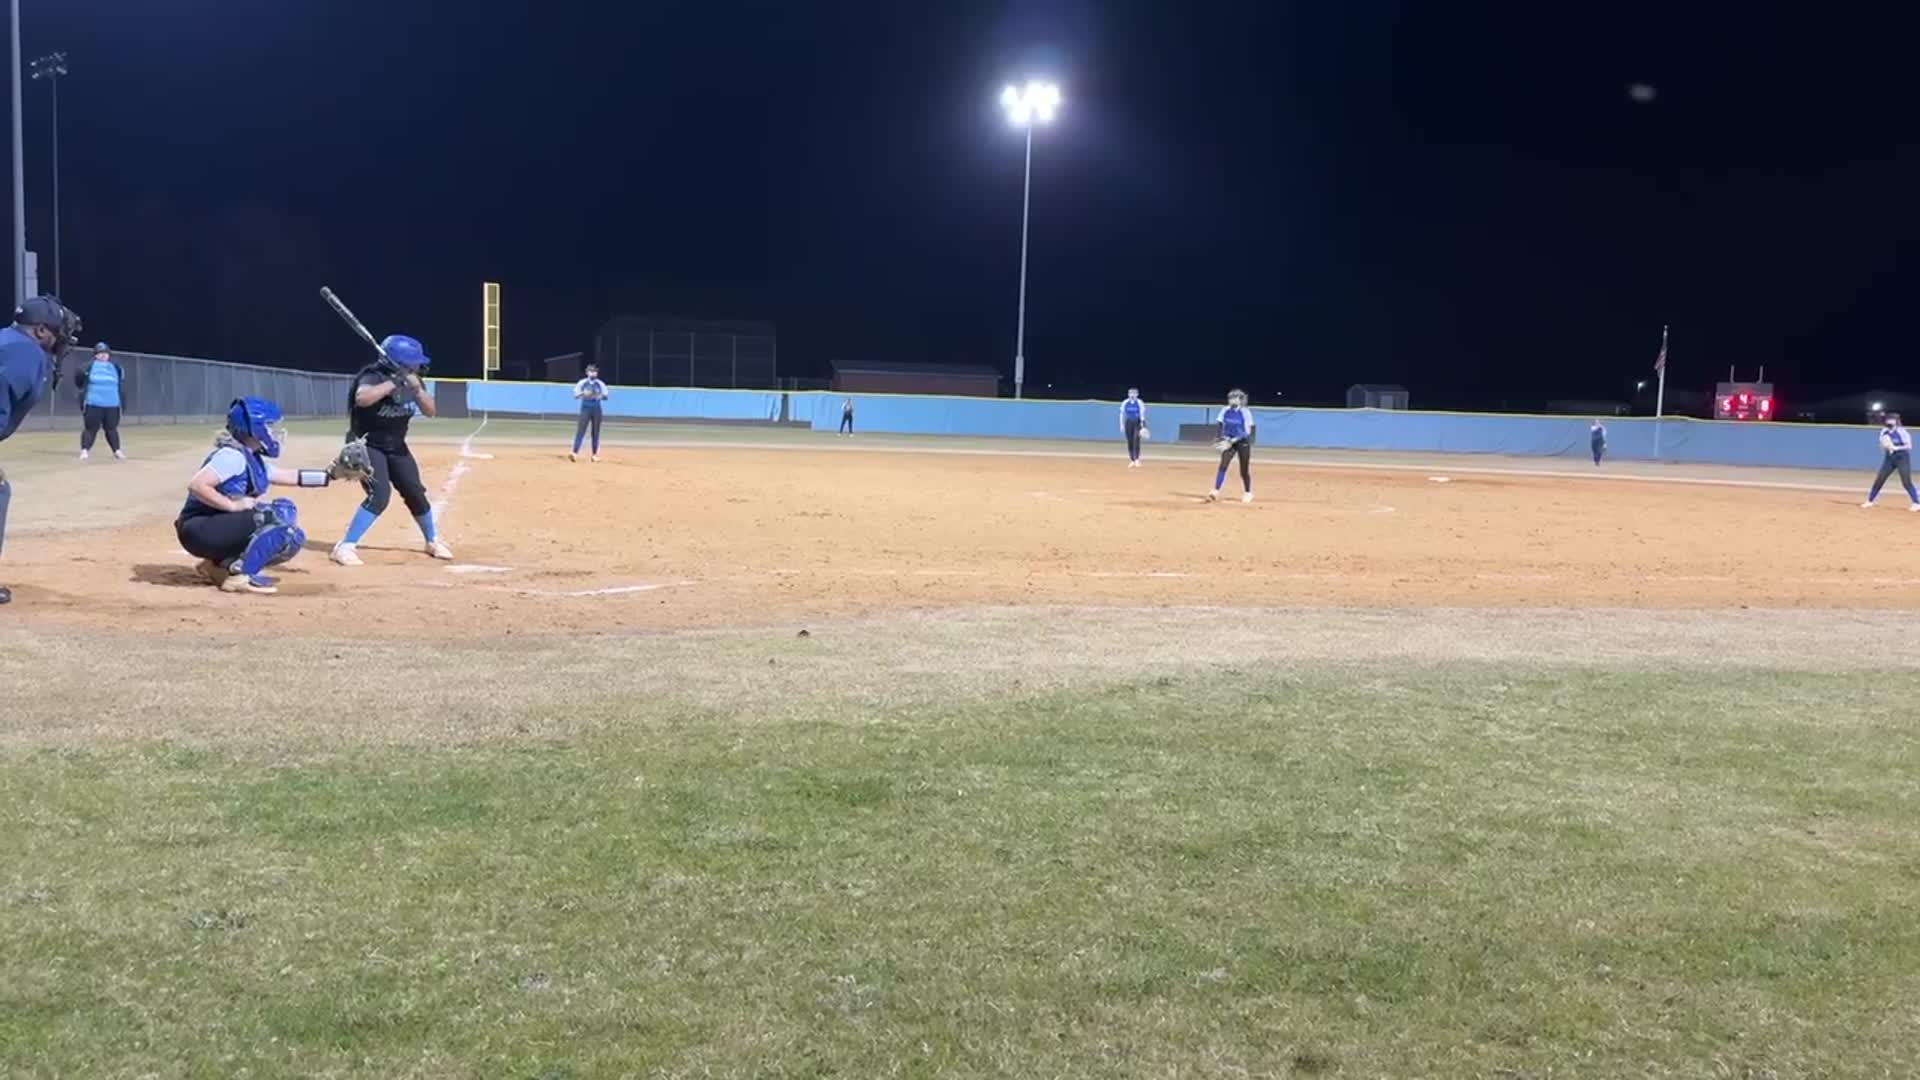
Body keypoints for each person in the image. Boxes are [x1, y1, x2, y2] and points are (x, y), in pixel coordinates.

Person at [177, 397, 367, 595]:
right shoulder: (231, 456)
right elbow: (197, 485)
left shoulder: (250, 456)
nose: (274, 432)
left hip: (208, 527)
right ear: (254, 428)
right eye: (269, 426)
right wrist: (233, 506)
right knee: (276, 517)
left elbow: (290, 476)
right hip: (197, 528)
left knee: (292, 536)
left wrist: (331, 475)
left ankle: (218, 566)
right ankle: (240, 576)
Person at [330, 334, 454, 566]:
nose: (419, 365)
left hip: (397, 446)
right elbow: (363, 398)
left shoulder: (414, 380)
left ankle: (432, 540)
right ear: (400, 363)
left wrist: (416, 390)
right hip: (368, 445)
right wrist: (394, 383)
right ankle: (345, 546)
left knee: (414, 491)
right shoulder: (372, 375)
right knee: (379, 496)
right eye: (414, 362)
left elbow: (430, 410)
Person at [0, 296, 81, 606]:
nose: (62, 339)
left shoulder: (9, 341)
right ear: (40, 331)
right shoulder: (25, 351)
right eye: (58, 331)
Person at [75, 342, 126, 461]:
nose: (103, 355)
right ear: (95, 355)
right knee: (90, 428)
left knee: (111, 428)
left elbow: (121, 382)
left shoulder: (116, 367)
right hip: (93, 403)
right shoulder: (87, 367)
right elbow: (79, 380)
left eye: (105, 353)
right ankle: (84, 451)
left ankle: (117, 451)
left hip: (112, 404)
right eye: (100, 353)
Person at [1861, 412, 1920, 511]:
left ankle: (1916, 503)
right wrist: (1885, 446)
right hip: (1889, 458)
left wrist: (1896, 447)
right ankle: (1870, 501)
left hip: (1902, 457)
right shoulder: (1884, 431)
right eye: (1888, 419)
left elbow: (1909, 446)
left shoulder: (1902, 432)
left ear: (1896, 421)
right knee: (1880, 479)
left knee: (1906, 481)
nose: (1889, 421)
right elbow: (1882, 444)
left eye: (1891, 419)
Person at [1207, 389, 1256, 503]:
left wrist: (1233, 440)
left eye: (1234, 397)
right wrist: (1220, 437)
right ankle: (1215, 490)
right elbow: (1220, 424)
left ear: (1240, 400)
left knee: (1244, 471)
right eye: (1230, 398)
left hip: (1242, 442)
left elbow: (1247, 431)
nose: (1231, 400)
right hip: (1229, 441)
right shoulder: (1225, 410)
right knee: (1223, 465)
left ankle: (1248, 492)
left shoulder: (1245, 412)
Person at [571, 364, 610, 462]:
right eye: (591, 371)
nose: (593, 373)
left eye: (595, 371)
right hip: (585, 408)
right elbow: (575, 395)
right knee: (581, 431)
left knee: (595, 433)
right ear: (587, 372)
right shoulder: (582, 383)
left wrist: (599, 395)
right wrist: (583, 393)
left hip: (596, 409)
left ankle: (594, 455)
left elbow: (606, 397)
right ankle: (574, 453)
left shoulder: (600, 384)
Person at [1120, 388, 1148, 467]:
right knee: (1130, 442)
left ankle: (1137, 459)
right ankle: (1132, 460)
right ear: (1128, 394)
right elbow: (1122, 414)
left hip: (1137, 423)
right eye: (1130, 393)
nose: (1132, 395)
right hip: (1128, 423)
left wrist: (1143, 425)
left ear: (1137, 394)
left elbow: (1142, 415)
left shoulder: (1139, 402)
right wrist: (1121, 425)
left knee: (1136, 440)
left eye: (1134, 393)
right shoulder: (1125, 402)